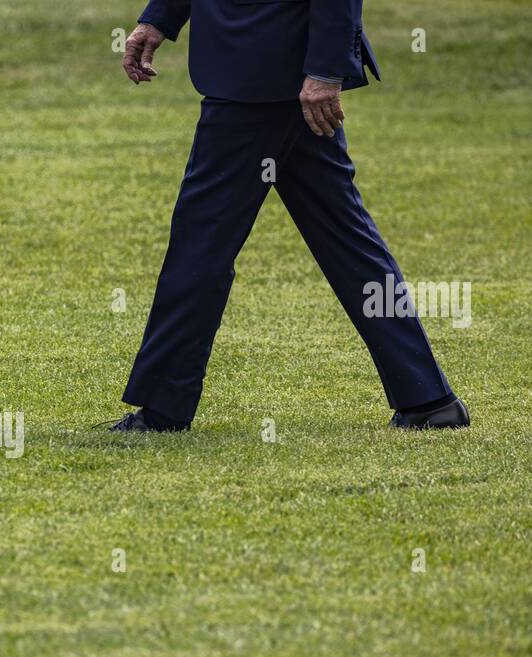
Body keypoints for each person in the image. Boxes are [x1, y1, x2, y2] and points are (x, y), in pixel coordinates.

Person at [110, 0, 469, 432]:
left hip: (268, 79)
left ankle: (164, 407)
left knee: (201, 240)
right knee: (344, 238)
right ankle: (427, 399)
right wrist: (160, 18)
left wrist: (325, 69)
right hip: (267, 74)